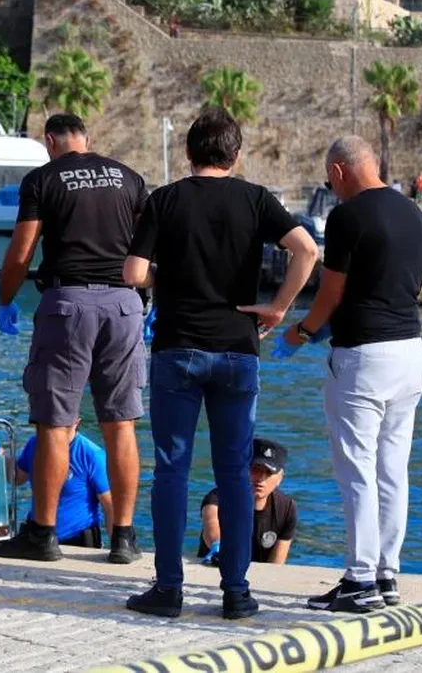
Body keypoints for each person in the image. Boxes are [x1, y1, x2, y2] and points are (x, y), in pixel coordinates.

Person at [122, 109, 318, 621]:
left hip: (178, 348)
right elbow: (307, 250)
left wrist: (169, 280)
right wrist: (278, 307)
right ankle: (235, 591)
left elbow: (133, 272)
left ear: (188, 154)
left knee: (172, 470)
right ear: (236, 155)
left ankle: (168, 589)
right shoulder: (255, 199)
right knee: (233, 472)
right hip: (237, 349)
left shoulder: (165, 200)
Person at [275, 136, 422, 614]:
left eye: (329, 179)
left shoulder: (347, 217)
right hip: (410, 352)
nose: (332, 188)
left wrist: (302, 331)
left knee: (355, 469)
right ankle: (387, 575)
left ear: (340, 171)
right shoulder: (413, 212)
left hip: (364, 357)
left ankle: (360, 579)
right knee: (392, 469)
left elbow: (332, 291)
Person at [0, 113, 147, 566]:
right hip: (124, 303)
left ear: (50, 142)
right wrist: (146, 300)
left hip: (68, 304)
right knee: (122, 423)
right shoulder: (129, 176)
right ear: (88, 139)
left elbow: (22, 251)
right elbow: (147, 245)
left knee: (55, 424)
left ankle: (43, 534)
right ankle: (123, 536)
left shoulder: (43, 178)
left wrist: (5, 299)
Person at [198, 438, 298, 566]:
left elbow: (277, 563)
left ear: (280, 478)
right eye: (255, 469)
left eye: (268, 472)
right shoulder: (219, 497)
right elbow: (211, 523)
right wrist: (218, 546)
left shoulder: (287, 508)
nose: (261, 478)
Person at [14, 421, 112, 548]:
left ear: (77, 420)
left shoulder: (92, 454)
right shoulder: (35, 444)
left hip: (77, 542)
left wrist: (115, 548)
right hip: (37, 537)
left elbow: (110, 506)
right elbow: (17, 477)